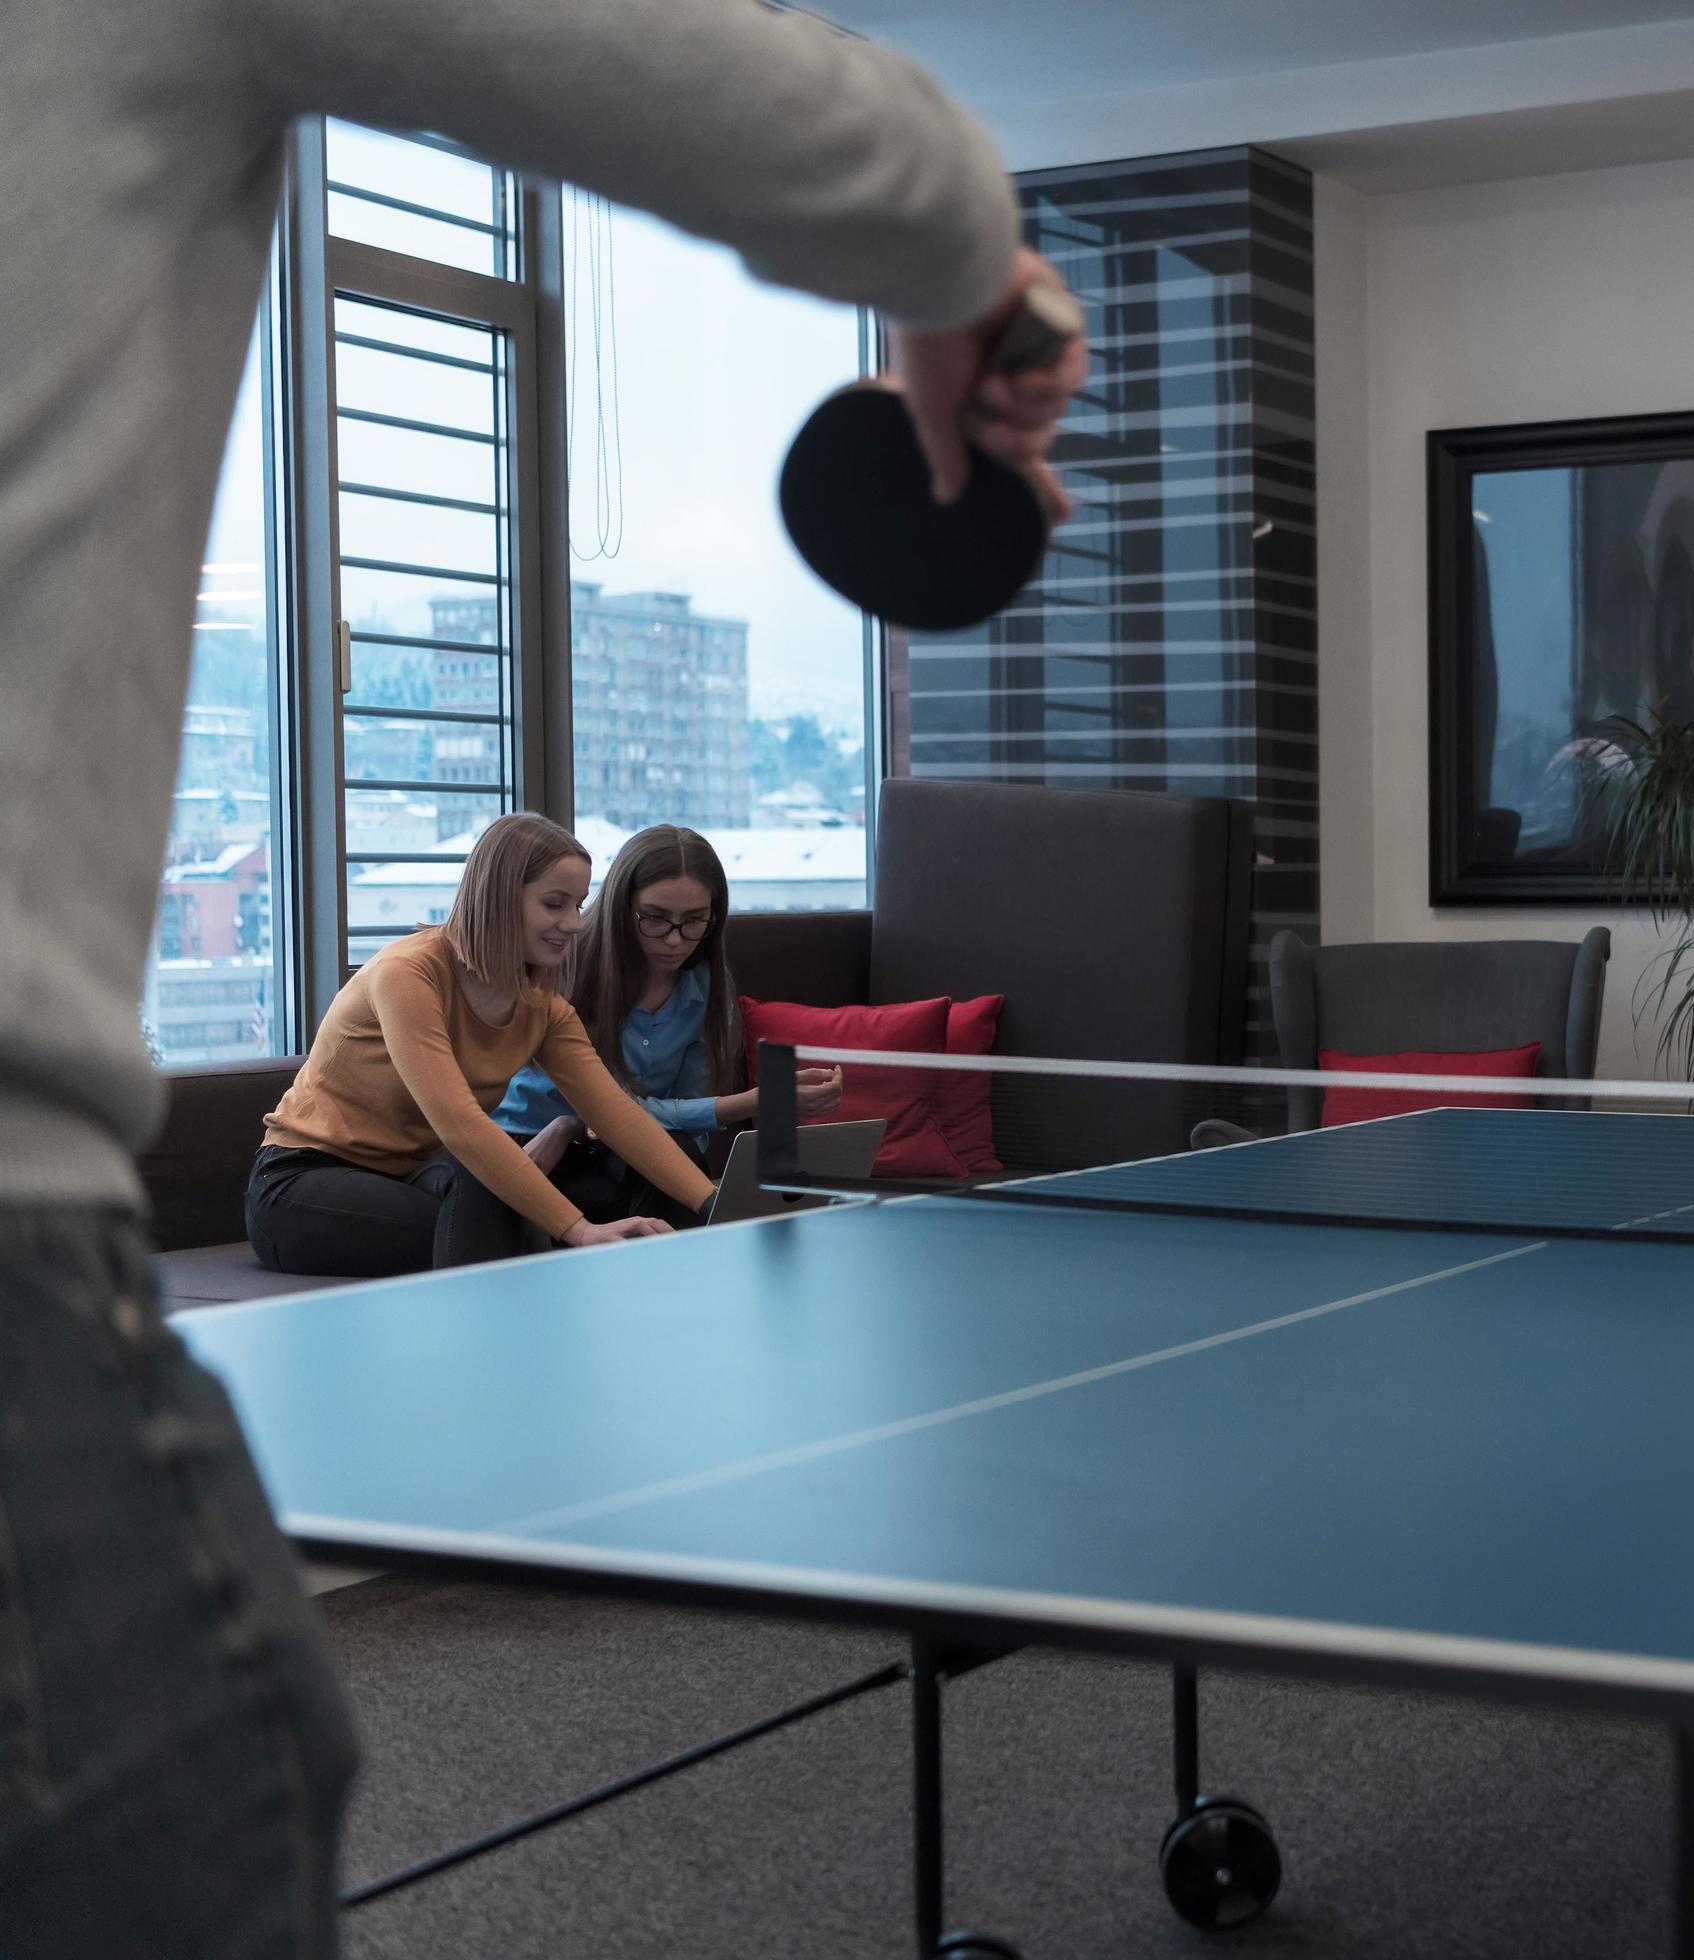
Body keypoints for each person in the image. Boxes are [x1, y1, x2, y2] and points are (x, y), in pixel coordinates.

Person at [0, 1, 1085, 1950]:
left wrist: (718, 1223)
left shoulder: (554, 994)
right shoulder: (421, 971)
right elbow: (837, 141)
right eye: (580, 895)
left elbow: (596, 1113)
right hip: (272, 1187)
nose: (603, 922)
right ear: (530, 885)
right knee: (205, 1801)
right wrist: (958, 262)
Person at [247, 814, 724, 1272]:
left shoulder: (541, 1006)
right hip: (299, 1182)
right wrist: (579, 1231)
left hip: (413, 1174)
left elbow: (618, 1115)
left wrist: (717, 1204)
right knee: (512, 1216)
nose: (574, 924)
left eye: (577, 905)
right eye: (554, 903)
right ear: (498, 897)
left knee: (501, 1189)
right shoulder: (407, 974)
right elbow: (461, 1125)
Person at [496, 824, 845, 1225]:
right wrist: (753, 1102)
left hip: (620, 1145)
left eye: (694, 920)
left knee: (677, 1150)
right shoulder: (568, 969)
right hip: (535, 1142)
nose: (675, 940)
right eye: (655, 918)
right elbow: (613, 1108)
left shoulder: (703, 987)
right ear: (621, 909)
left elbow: (678, 1118)